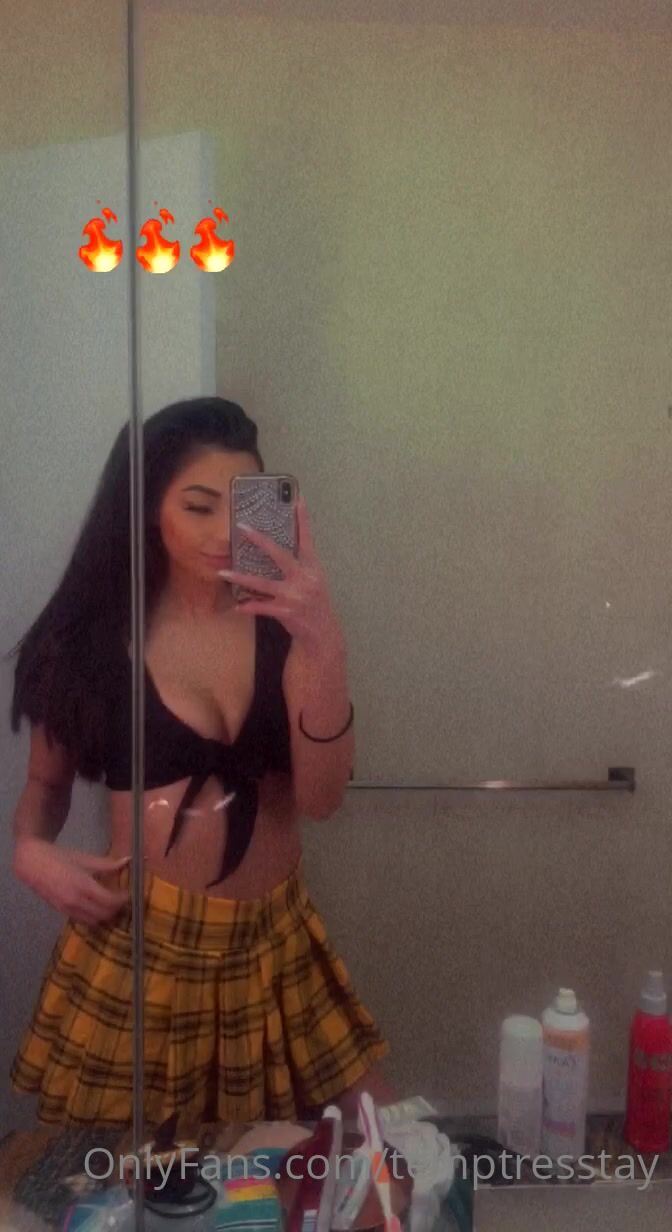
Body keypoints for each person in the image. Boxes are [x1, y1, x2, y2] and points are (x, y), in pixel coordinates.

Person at [9, 396, 391, 1128]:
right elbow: (44, 788)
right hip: (143, 947)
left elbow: (321, 800)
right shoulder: (91, 640)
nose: (224, 534)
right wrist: (30, 850)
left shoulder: (285, 628)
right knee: (129, 1177)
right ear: (148, 508)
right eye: (197, 506)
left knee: (355, 1156)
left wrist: (323, 642)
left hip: (275, 943)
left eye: (240, 507)